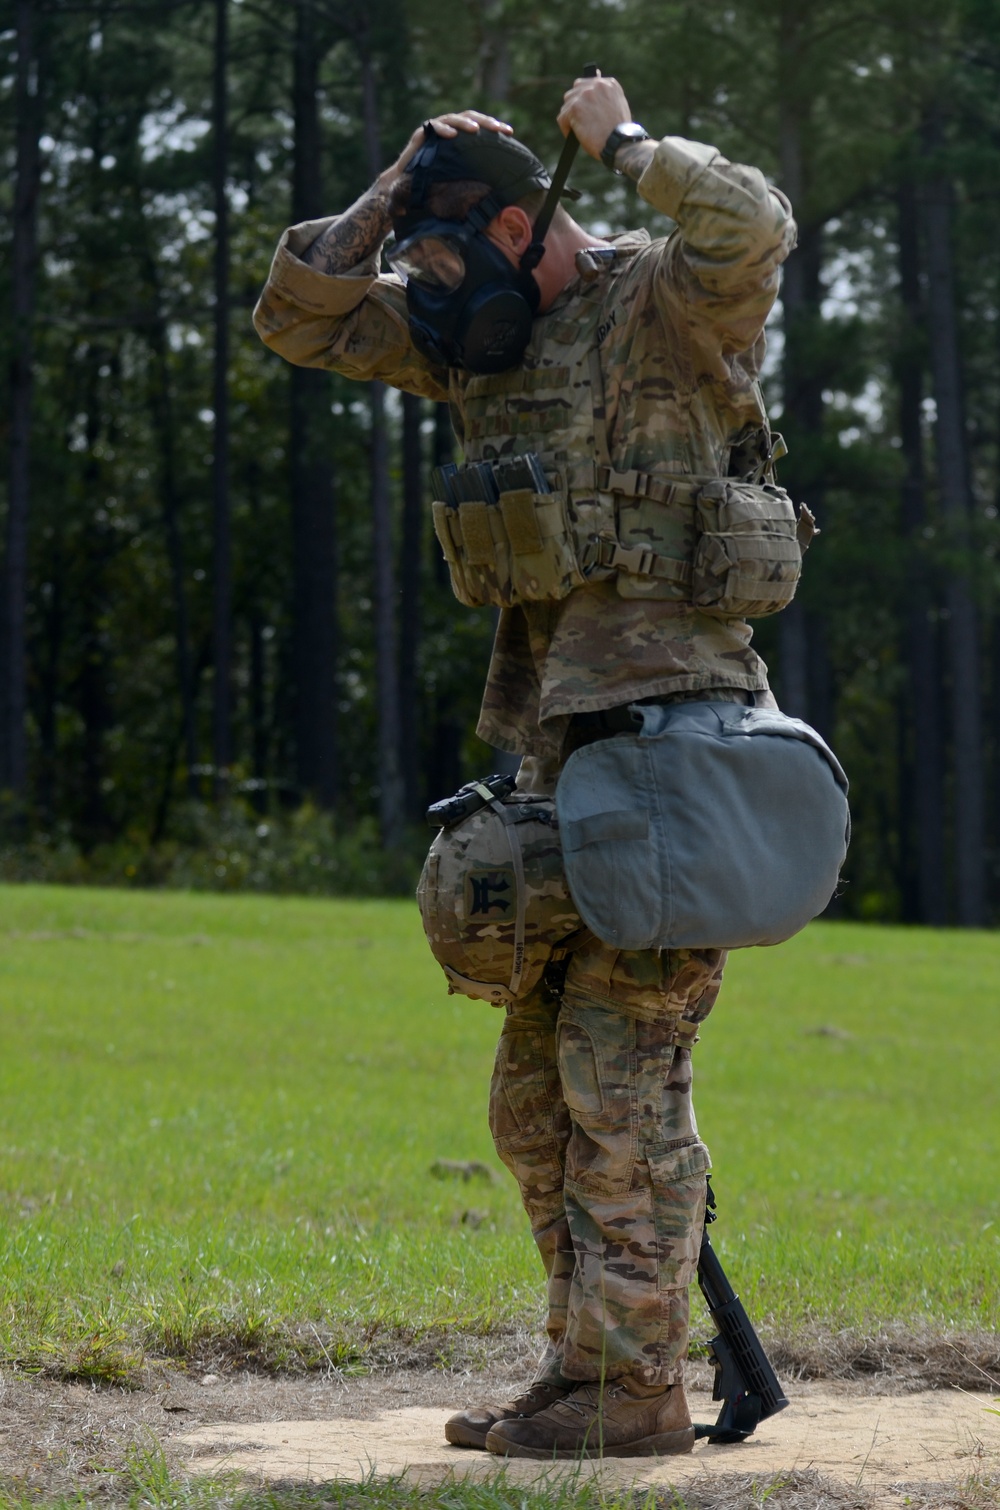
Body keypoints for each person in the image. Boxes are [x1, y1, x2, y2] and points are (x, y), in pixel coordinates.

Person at [253, 73, 796, 1460]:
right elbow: (296, 315)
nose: (422, 293)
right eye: (413, 270)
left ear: (516, 229)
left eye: (440, 260)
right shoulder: (473, 342)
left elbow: (754, 223)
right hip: (558, 759)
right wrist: (392, 187)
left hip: (682, 745)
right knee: (532, 1096)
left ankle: (632, 1389)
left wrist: (619, 142)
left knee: (623, 1081)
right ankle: (585, 1368)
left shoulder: (665, 299)